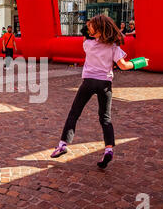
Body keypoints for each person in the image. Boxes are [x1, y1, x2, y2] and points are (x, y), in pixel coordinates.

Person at [50, 15, 149, 170]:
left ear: (97, 31)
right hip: (105, 84)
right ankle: (108, 149)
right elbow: (123, 66)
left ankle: (63, 144)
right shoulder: (114, 48)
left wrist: (89, 28)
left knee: (74, 113)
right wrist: (140, 62)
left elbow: (85, 33)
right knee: (105, 118)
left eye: (91, 28)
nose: (89, 30)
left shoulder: (88, 44)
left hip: (88, 82)